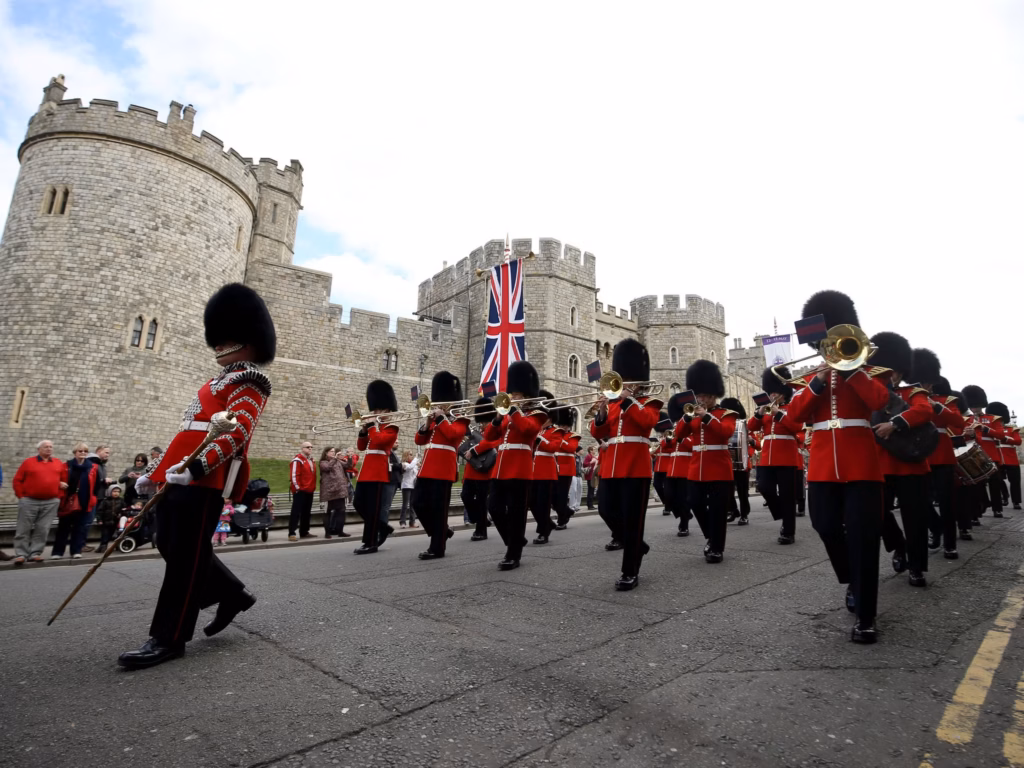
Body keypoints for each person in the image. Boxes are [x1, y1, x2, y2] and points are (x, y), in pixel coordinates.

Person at [118, 282, 275, 670]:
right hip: (178, 473)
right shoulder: (215, 382)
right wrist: (153, 473)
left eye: (227, 338)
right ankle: (231, 593)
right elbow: (186, 433)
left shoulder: (249, 380)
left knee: (186, 558)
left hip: (204, 477)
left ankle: (169, 637)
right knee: (169, 542)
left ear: (248, 341)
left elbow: (236, 433)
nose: (218, 344)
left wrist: (197, 468)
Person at [786, 290, 890, 644]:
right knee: (825, 525)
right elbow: (792, 418)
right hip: (822, 467)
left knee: (864, 537)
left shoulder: (871, 372)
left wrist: (852, 370)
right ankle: (852, 579)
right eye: (824, 345)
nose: (828, 349)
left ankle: (866, 616)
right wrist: (817, 381)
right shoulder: (809, 380)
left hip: (861, 464)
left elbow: (879, 400)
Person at [590, 339, 663, 590]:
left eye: (630, 380)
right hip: (611, 465)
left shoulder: (650, 402)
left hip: (635, 466)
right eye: (624, 379)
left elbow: (646, 423)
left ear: (639, 382)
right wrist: (601, 413)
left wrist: (628, 400)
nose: (626, 384)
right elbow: (598, 432)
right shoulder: (612, 404)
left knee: (633, 520)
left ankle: (629, 571)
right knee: (605, 510)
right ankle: (637, 545)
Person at [871, 332, 934, 588]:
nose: (891, 375)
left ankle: (917, 567)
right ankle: (899, 544)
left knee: (915, 519)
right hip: (880, 465)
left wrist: (895, 423)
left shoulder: (912, 391)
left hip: (910, 464)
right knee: (877, 513)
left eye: (895, 371)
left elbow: (924, 411)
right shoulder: (871, 391)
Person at [484, 361, 548, 570]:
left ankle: (513, 554)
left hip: (520, 468)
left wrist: (512, 410)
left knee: (516, 513)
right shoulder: (509, 414)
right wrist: (497, 418)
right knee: (493, 507)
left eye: (517, 394)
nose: (512, 397)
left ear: (527, 396)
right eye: (512, 394)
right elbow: (489, 436)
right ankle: (516, 540)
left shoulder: (537, 413)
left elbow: (527, 429)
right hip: (500, 468)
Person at [676, 360, 736, 564]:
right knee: (695, 502)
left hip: (719, 467)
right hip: (696, 467)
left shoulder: (726, 414)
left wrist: (707, 417)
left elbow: (725, 432)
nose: (700, 399)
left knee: (718, 509)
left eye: (704, 396)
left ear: (713, 395)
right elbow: (678, 435)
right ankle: (711, 536)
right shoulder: (692, 415)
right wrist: (686, 418)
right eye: (698, 395)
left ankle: (716, 548)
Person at [913, 353, 965, 560]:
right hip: (919, 453)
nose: (926, 385)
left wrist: (937, 406)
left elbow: (958, 422)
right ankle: (935, 527)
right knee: (919, 500)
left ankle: (950, 545)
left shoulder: (946, 400)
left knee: (946, 502)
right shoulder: (910, 396)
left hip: (941, 454)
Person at [413, 371, 470, 559]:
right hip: (427, 468)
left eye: (443, 401)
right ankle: (442, 532)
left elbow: (454, 435)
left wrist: (440, 418)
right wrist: (427, 422)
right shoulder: (435, 419)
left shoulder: (460, 418)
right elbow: (419, 441)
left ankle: (437, 547)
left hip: (444, 469)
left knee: (438, 510)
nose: (439, 404)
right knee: (417, 503)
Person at [750, 367, 803, 545]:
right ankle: (781, 512)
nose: (772, 395)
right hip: (767, 457)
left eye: (775, 392)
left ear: (783, 393)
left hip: (787, 456)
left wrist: (778, 414)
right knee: (764, 487)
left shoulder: (792, 407)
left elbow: (796, 427)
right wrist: (759, 414)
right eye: (770, 392)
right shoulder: (765, 410)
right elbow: (751, 427)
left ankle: (788, 531)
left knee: (788, 495)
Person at [353, 380, 401, 555]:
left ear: (387, 411)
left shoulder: (392, 428)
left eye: (378, 410)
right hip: (366, 471)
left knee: (373, 508)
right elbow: (361, 446)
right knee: (358, 503)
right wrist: (363, 431)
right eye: (374, 410)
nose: (374, 413)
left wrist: (372, 427)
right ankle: (382, 526)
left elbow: (379, 441)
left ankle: (370, 542)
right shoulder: (375, 427)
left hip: (379, 471)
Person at [11, 439, 69, 565]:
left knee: (43, 529)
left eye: (50, 447)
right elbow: (17, 480)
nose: (49, 449)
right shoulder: (28, 462)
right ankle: (21, 554)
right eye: (45, 447)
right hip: (29, 501)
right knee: (23, 528)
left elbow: (63, 481)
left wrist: (58, 497)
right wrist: (21, 496)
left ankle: (35, 553)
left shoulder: (58, 463)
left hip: (50, 502)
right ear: (39, 449)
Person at [460, 398, 499, 540]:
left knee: (482, 501)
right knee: (465, 496)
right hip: (472, 469)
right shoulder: (476, 430)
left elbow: (492, 443)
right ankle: (481, 519)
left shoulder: (494, 429)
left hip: (485, 470)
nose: (482, 423)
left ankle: (481, 531)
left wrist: (474, 450)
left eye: (484, 421)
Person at [963, 385, 1005, 518]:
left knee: (995, 483)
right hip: (975, 455)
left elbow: (1001, 435)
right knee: (977, 485)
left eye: (976, 406)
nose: (974, 408)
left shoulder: (993, 419)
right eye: (972, 406)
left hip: (991, 454)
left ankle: (997, 509)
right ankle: (980, 508)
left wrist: (985, 428)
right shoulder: (967, 420)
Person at [51, 443, 99, 559]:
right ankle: (57, 552)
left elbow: (96, 485)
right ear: (75, 453)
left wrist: (93, 498)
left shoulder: (92, 467)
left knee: (79, 528)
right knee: (63, 527)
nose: (83, 453)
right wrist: (59, 483)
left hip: (84, 501)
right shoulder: (66, 465)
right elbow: (57, 479)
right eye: (80, 451)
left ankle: (76, 551)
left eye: (85, 451)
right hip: (68, 500)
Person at [529, 390, 561, 544]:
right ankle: (547, 523)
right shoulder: (536, 428)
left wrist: (539, 439)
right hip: (532, 471)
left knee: (543, 504)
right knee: (531, 502)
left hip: (546, 472)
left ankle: (543, 532)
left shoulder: (556, 431)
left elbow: (553, 448)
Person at [666, 393, 694, 537]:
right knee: (669, 496)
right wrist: (668, 441)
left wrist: (681, 439)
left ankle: (684, 524)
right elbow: (669, 448)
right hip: (672, 467)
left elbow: (693, 444)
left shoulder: (692, 424)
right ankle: (686, 514)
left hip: (685, 466)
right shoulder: (676, 425)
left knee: (683, 499)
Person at [721, 398, 750, 525]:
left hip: (741, 461)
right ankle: (732, 510)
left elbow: (754, 441)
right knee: (728, 489)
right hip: (728, 460)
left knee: (742, 491)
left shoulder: (744, 424)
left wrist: (750, 440)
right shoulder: (725, 423)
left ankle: (744, 514)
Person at [553, 406, 582, 529]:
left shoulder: (573, 436)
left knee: (562, 496)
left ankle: (562, 521)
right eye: (561, 425)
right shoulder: (555, 434)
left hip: (566, 470)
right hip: (554, 468)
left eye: (565, 425)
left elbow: (571, 448)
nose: (563, 427)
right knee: (553, 497)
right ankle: (568, 511)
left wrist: (559, 439)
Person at [319, 447, 352, 538]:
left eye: (334, 451)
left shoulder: (338, 461)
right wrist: (335, 459)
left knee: (341, 511)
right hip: (328, 492)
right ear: (326, 453)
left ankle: (340, 531)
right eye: (331, 451)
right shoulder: (323, 462)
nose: (333, 453)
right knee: (327, 512)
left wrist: (349, 457)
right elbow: (327, 467)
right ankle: (327, 533)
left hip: (340, 491)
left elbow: (348, 466)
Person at [993, 404, 1021, 510]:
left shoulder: (1012, 429)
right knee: (998, 480)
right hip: (998, 458)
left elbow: (1018, 441)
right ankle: (1004, 495)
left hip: (1011, 459)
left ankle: (1016, 502)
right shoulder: (992, 430)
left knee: (1015, 481)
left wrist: (1005, 439)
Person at [288, 442, 317, 541]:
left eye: (311, 447)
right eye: (308, 447)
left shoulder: (311, 460)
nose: (310, 448)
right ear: (302, 448)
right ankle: (292, 533)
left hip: (309, 489)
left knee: (307, 512)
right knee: (296, 511)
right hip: (300, 490)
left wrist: (312, 487)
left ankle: (304, 531)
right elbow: (294, 475)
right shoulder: (297, 460)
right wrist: (298, 488)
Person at [651, 411, 674, 517]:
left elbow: (671, 448)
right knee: (657, 485)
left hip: (667, 465)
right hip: (658, 466)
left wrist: (663, 442)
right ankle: (667, 503)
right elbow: (657, 452)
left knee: (668, 488)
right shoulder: (660, 438)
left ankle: (667, 507)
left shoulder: (670, 437)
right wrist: (652, 453)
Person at [94, 484, 124, 551]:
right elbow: (100, 511)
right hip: (106, 521)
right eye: (114, 491)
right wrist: (99, 519)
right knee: (105, 534)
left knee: (114, 534)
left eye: (118, 492)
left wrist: (121, 514)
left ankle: (117, 545)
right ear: (110, 492)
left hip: (116, 521)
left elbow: (124, 509)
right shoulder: (105, 501)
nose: (116, 493)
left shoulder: (121, 501)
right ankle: (103, 546)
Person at [400, 450, 420, 528]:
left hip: (413, 486)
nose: (412, 456)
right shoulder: (404, 464)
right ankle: (402, 522)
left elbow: (416, 474)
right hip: (406, 486)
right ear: (406, 456)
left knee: (412, 505)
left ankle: (412, 522)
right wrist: (416, 458)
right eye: (410, 454)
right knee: (405, 505)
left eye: (412, 454)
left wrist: (419, 466)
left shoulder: (413, 464)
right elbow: (409, 467)